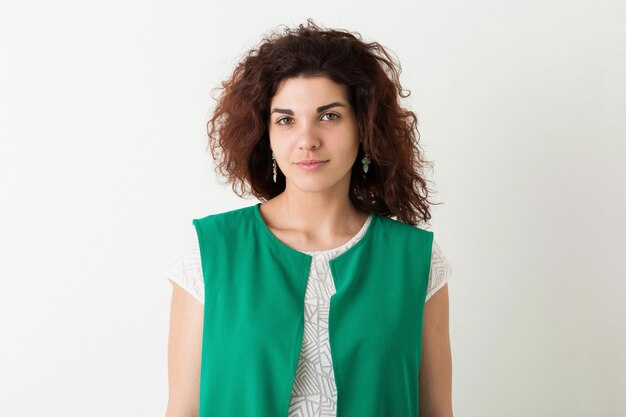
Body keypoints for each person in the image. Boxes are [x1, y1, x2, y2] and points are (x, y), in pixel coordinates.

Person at [165, 19, 453, 417]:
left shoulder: (416, 259)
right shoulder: (210, 252)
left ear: (363, 128)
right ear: (265, 135)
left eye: (329, 116)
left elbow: (437, 412)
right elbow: (182, 410)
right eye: (286, 120)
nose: (307, 139)